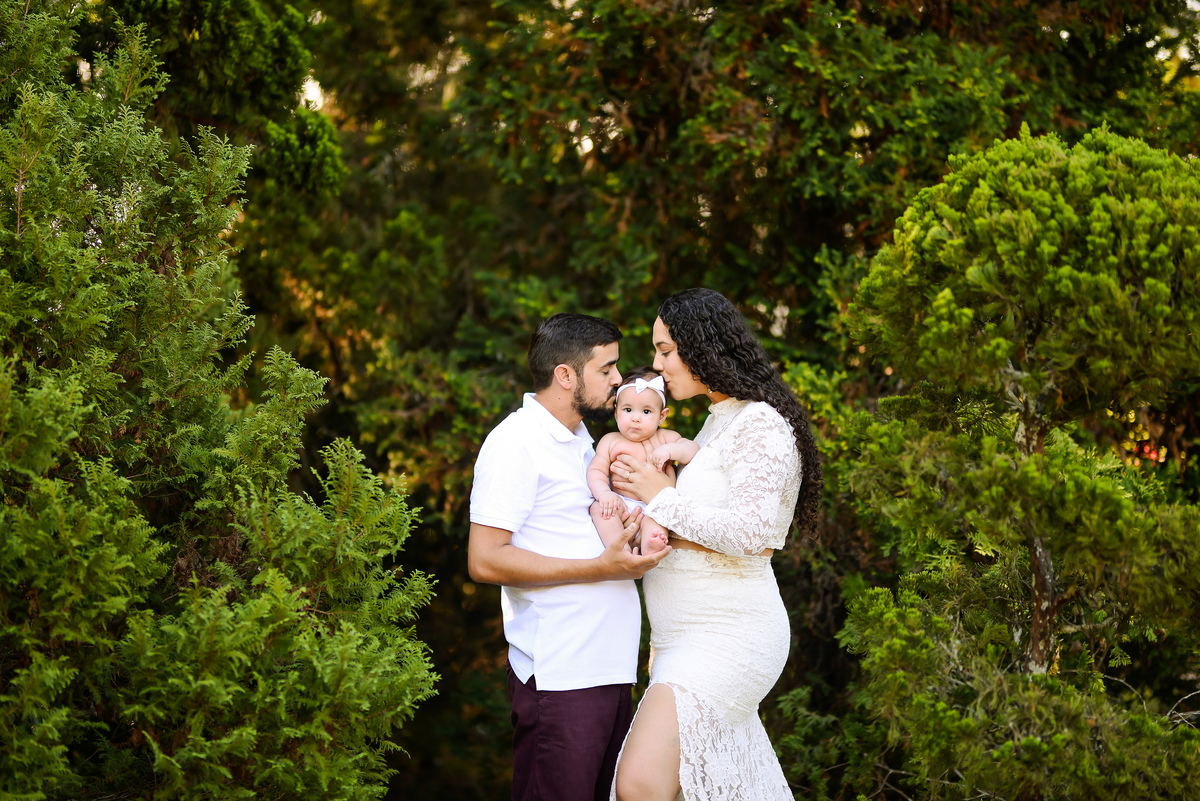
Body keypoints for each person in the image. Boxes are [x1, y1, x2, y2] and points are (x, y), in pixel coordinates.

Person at [607, 288, 824, 801]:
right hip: (680, 637)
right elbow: (693, 527)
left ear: (701, 347)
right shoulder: (716, 419)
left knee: (639, 784)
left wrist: (659, 496)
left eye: (665, 351)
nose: (657, 367)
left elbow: (751, 534)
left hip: (730, 634)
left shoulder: (761, 424)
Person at [467, 312, 672, 801]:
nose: (620, 380)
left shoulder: (589, 443)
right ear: (565, 375)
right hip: (562, 677)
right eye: (606, 369)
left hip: (610, 669)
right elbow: (485, 560)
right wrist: (600, 568)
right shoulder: (515, 443)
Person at [587, 366, 699, 556]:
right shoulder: (611, 441)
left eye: (646, 412)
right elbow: (596, 471)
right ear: (616, 413)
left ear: (661, 417)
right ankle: (620, 551)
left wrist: (670, 450)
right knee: (600, 509)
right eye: (628, 410)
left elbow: (693, 450)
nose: (636, 418)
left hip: (653, 505)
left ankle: (650, 546)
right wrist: (605, 493)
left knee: (657, 520)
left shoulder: (665, 438)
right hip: (620, 503)